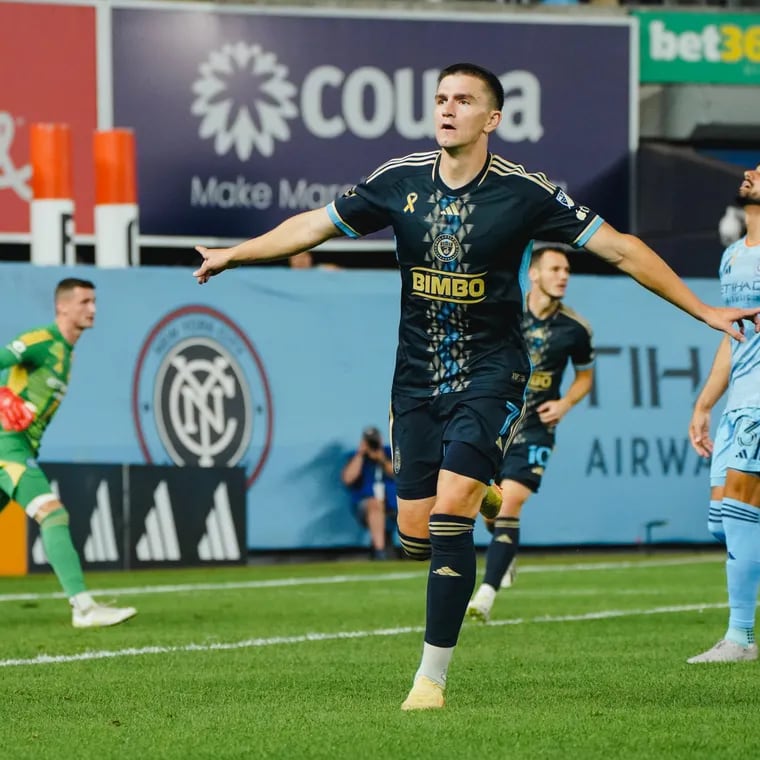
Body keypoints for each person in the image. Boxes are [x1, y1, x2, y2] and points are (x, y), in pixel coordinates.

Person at [192, 63, 760, 709]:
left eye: (463, 100)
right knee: (413, 536)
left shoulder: (525, 192)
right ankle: (487, 494)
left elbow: (624, 249)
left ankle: (429, 679)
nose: (447, 109)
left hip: (494, 373)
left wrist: (706, 310)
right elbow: (314, 225)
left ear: (492, 119)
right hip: (416, 379)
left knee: (450, 509)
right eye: (441, 98)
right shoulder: (398, 180)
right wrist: (234, 254)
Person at [466, 245, 594, 622]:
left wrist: (565, 403)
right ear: (534, 274)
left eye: (567, 269)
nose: (563, 275)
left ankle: (485, 595)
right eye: (555, 268)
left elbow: (585, 377)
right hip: (498, 421)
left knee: (510, 504)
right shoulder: (506, 313)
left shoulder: (576, 328)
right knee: (490, 507)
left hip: (537, 426)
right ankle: (506, 550)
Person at [0, 278, 137, 628]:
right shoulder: (41, 342)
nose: (92, 309)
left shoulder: (66, 353)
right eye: (85, 302)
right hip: (7, 443)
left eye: (94, 302)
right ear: (62, 306)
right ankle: (84, 608)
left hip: (22, 445)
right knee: (53, 514)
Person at [687, 163, 760, 663]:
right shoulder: (734, 255)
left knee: (740, 508)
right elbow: (730, 337)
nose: (748, 172)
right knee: (722, 521)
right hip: (737, 399)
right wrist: (703, 404)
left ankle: (740, 638)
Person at [341, 425, 397, 560]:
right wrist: (360, 454)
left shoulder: (389, 453)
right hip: (366, 505)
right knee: (374, 503)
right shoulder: (355, 457)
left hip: (393, 503)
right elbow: (348, 479)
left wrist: (381, 458)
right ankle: (380, 552)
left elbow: (398, 474)